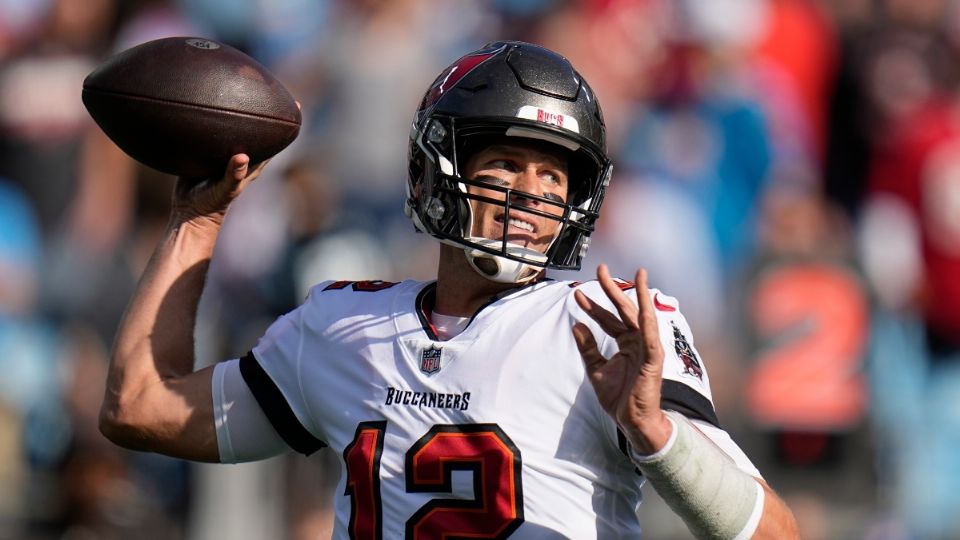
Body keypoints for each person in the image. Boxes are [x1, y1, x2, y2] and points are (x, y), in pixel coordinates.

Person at [100, 41, 799, 538]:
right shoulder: (344, 327)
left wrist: (655, 434)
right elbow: (139, 407)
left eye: (554, 177)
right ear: (437, 172)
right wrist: (198, 220)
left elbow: (773, 535)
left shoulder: (604, 328)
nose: (531, 193)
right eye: (505, 165)